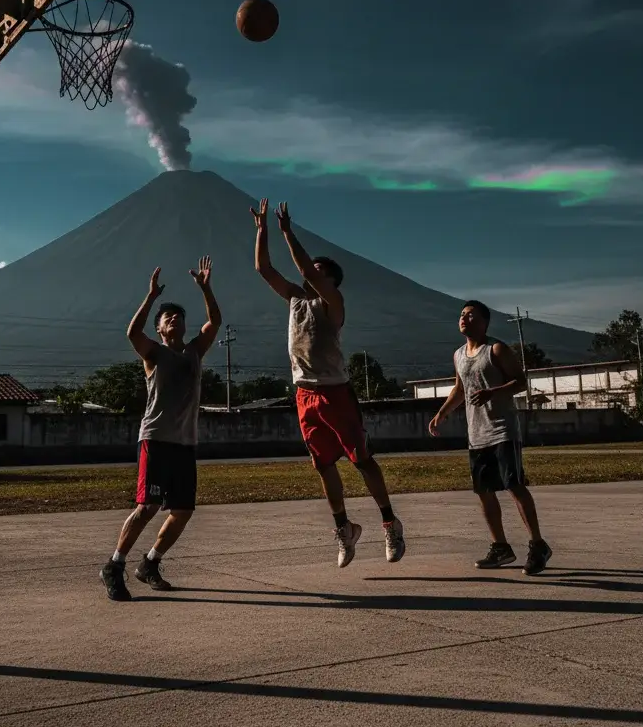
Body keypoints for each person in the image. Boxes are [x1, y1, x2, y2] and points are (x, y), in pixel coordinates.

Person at [251, 198, 405, 568]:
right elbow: (264, 269)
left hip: (335, 392)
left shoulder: (332, 302)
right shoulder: (295, 299)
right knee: (322, 465)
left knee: (361, 460)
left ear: (331, 281)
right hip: (305, 393)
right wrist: (262, 230)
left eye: (319, 271)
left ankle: (390, 522)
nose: (311, 273)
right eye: (313, 269)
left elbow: (306, 268)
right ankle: (344, 528)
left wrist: (288, 232)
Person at [99, 257, 221, 601]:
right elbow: (132, 334)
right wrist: (151, 297)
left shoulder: (194, 352)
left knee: (182, 511)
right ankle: (114, 565)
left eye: (179, 316)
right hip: (155, 440)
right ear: (160, 330)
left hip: (184, 444)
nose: (175, 319)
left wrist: (206, 289)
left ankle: (150, 563)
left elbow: (214, 322)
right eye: (168, 317)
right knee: (147, 507)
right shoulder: (153, 354)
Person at [429, 299, 553, 575]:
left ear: (485, 322)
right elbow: (460, 389)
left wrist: (492, 392)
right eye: (462, 314)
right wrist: (441, 414)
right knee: (484, 491)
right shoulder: (458, 354)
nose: (465, 318)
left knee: (514, 486)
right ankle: (501, 547)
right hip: (477, 434)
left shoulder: (495, 349)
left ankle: (538, 545)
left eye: (471, 315)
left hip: (502, 430)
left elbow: (520, 382)